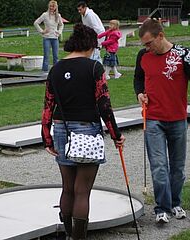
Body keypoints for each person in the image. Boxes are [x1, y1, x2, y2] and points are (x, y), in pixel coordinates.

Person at [41, 23, 125, 239]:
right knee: (82, 191)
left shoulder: (55, 69)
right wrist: (116, 134)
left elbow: (48, 105)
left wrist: (46, 138)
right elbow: (104, 104)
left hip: (61, 128)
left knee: (67, 188)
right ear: (89, 45)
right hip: (87, 129)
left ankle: (69, 234)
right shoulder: (94, 67)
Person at [134, 18, 190, 224]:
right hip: (153, 118)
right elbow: (138, 79)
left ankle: (176, 203)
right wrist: (139, 93)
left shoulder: (183, 55)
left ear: (160, 36)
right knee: (158, 165)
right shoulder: (143, 56)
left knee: (177, 166)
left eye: (149, 43)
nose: (147, 47)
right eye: (144, 45)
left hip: (177, 118)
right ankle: (162, 207)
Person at [34, 0, 64, 74]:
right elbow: (36, 23)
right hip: (46, 37)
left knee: (56, 56)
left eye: (53, 6)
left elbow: (61, 25)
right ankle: (45, 72)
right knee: (46, 55)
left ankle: (56, 72)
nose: (51, 8)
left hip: (55, 38)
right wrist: (42, 31)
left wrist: (59, 32)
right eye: (50, 6)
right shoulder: (45, 15)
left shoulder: (58, 16)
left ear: (55, 7)